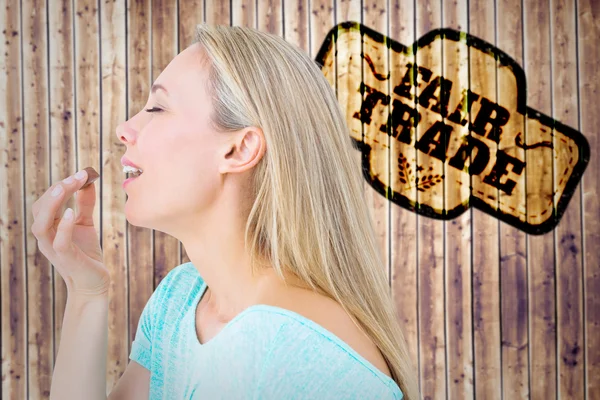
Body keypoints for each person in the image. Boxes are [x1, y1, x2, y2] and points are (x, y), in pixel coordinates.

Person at [32, 23, 419, 399]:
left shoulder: (306, 356)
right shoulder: (180, 301)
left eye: (157, 107)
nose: (124, 128)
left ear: (239, 150)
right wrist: (86, 291)